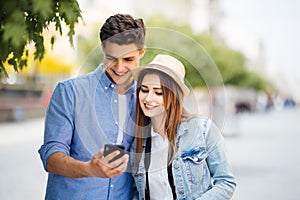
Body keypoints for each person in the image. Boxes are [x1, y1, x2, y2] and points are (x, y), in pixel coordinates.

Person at [38, 14, 146, 199]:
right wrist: (89, 169)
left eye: (128, 59)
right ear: (103, 48)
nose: (119, 68)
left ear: (141, 53)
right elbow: (51, 158)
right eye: (112, 58)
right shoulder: (69, 92)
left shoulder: (144, 97)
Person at [129, 54, 236, 199]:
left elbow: (226, 182)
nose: (148, 98)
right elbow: (137, 193)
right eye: (144, 90)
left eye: (158, 92)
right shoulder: (138, 143)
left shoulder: (202, 129)